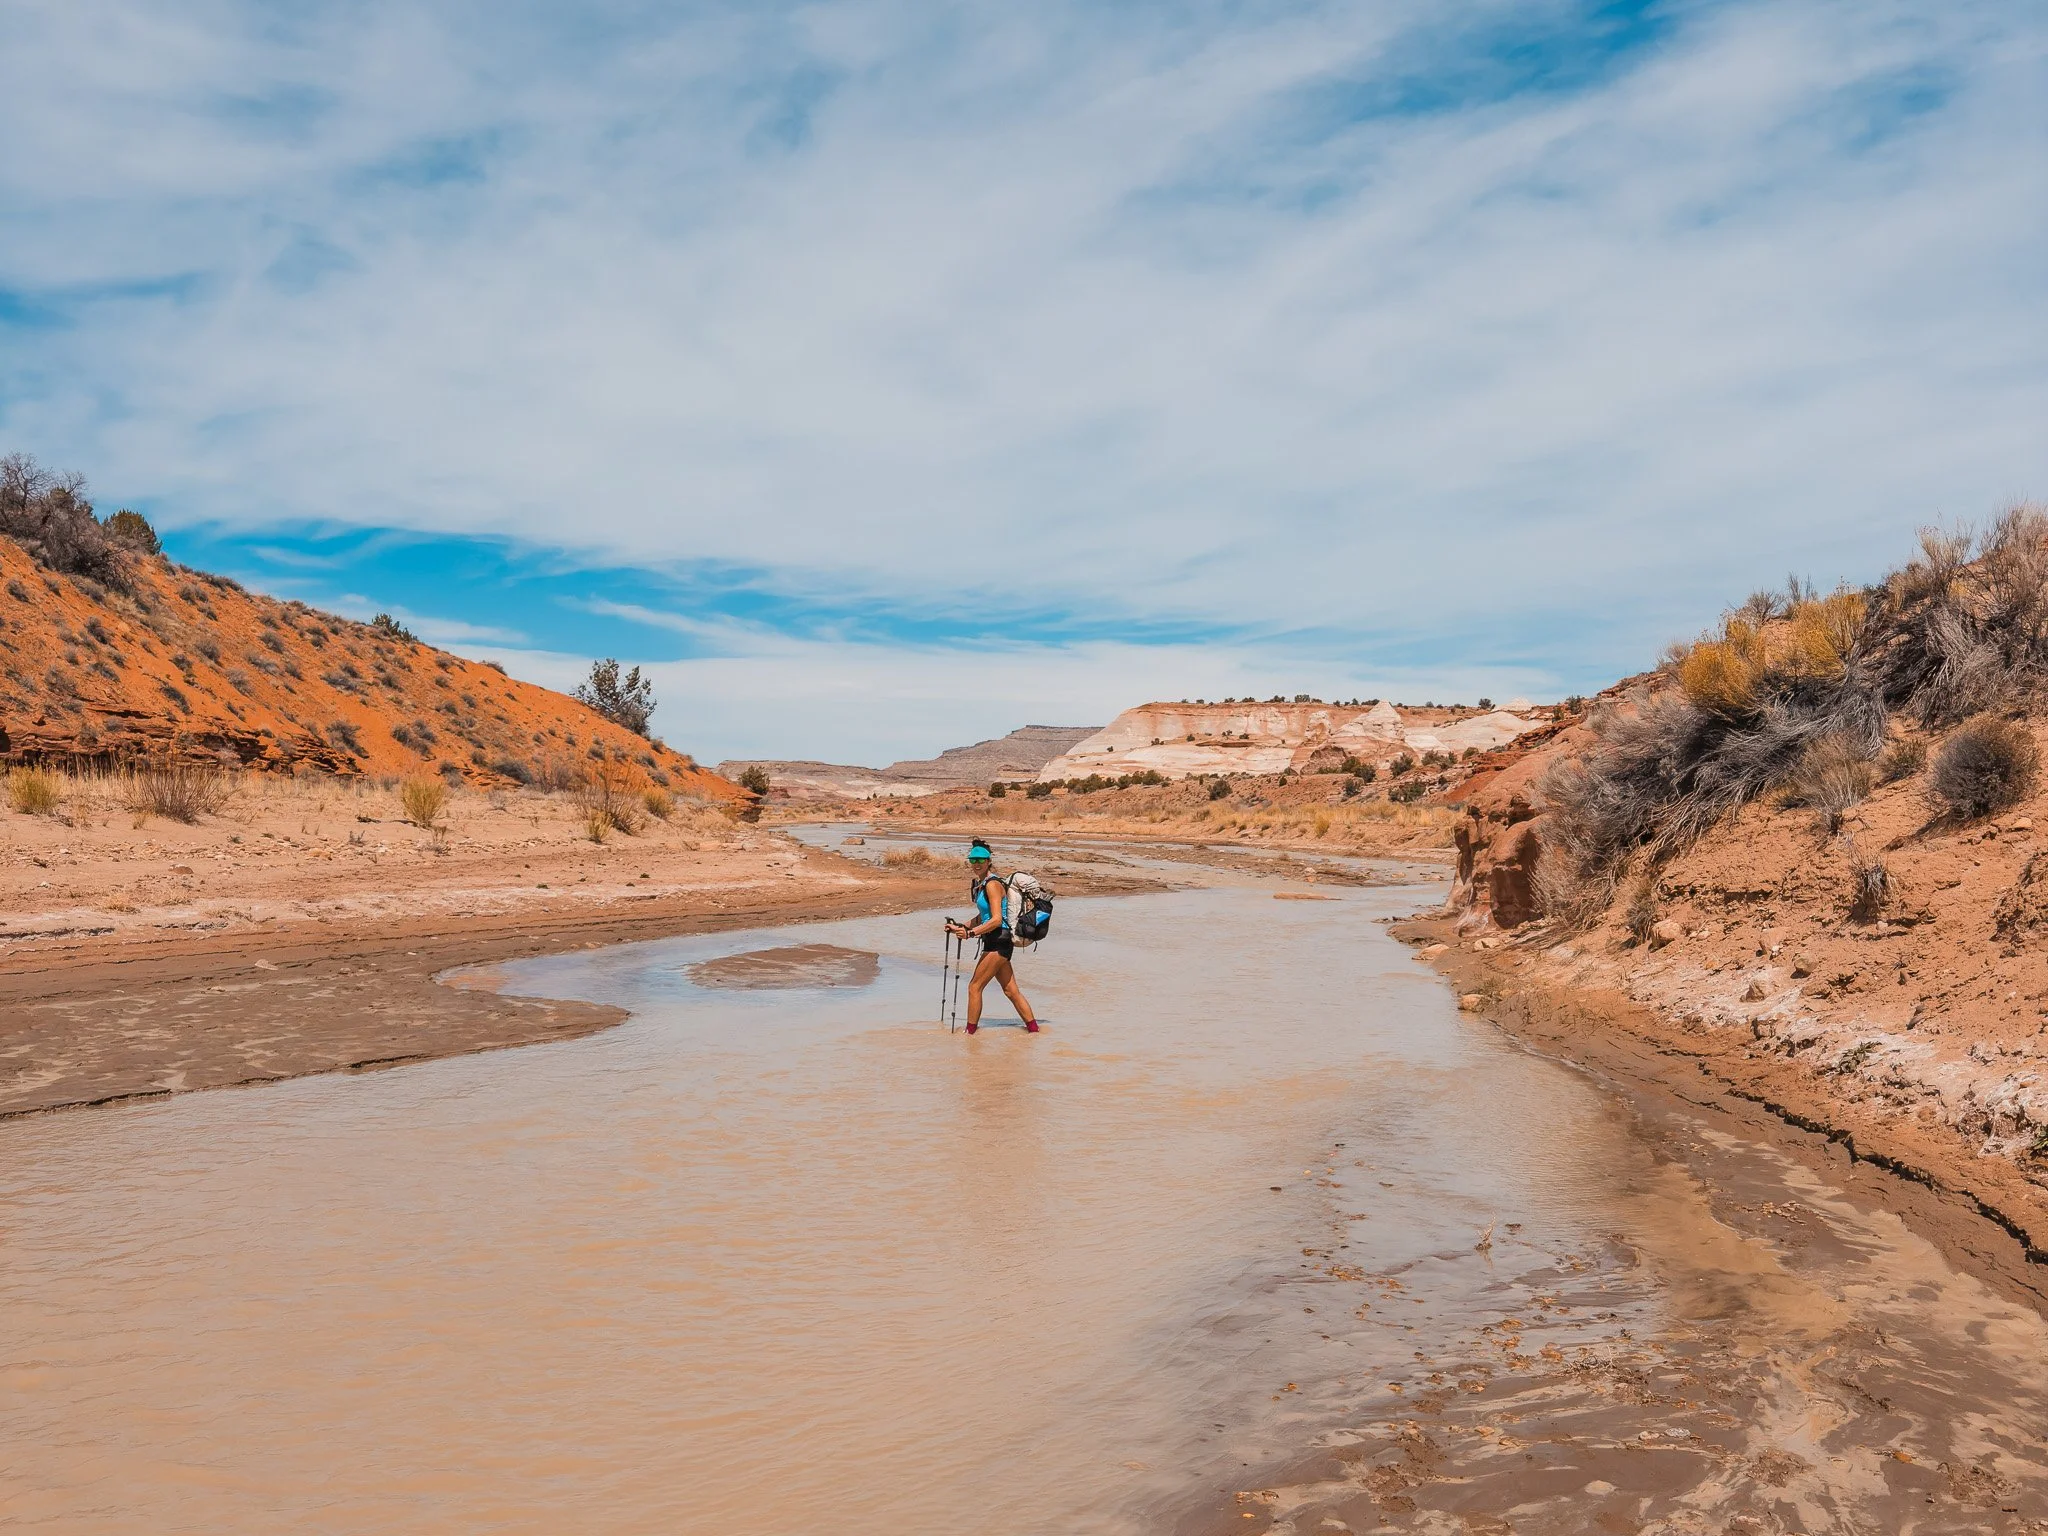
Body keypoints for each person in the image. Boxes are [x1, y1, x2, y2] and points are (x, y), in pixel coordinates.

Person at [946, 839, 1040, 1035]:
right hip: (994, 941)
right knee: (1011, 991)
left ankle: (970, 1035)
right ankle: (1034, 1031)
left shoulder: (993, 884)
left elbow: (997, 920)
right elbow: (984, 916)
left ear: (989, 861)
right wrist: (960, 927)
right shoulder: (981, 884)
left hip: (999, 941)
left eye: (980, 859)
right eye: (973, 860)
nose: (976, 863)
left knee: (974, 987)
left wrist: (971, 933)